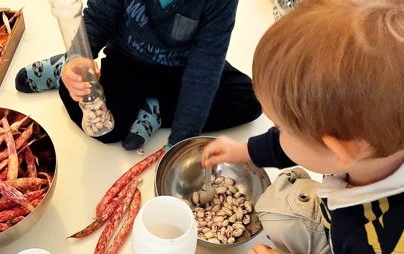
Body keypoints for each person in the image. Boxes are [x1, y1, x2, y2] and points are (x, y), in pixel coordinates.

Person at [202, 0, 404, 254]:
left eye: (283, 128)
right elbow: (304, 145)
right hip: (351, 233)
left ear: (341, 150)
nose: (278, 134)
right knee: (273, 203)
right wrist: (245, 152)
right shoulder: (375, 141)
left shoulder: (392, 251)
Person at [15, 0, 262, 151]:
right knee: (104, 127)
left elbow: (206, 67)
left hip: (182, 70)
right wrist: (79, 58)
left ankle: (156, 109)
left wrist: (180, 141)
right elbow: (99, 19)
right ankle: (67, 62)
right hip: (127, 60)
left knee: (252, 100)